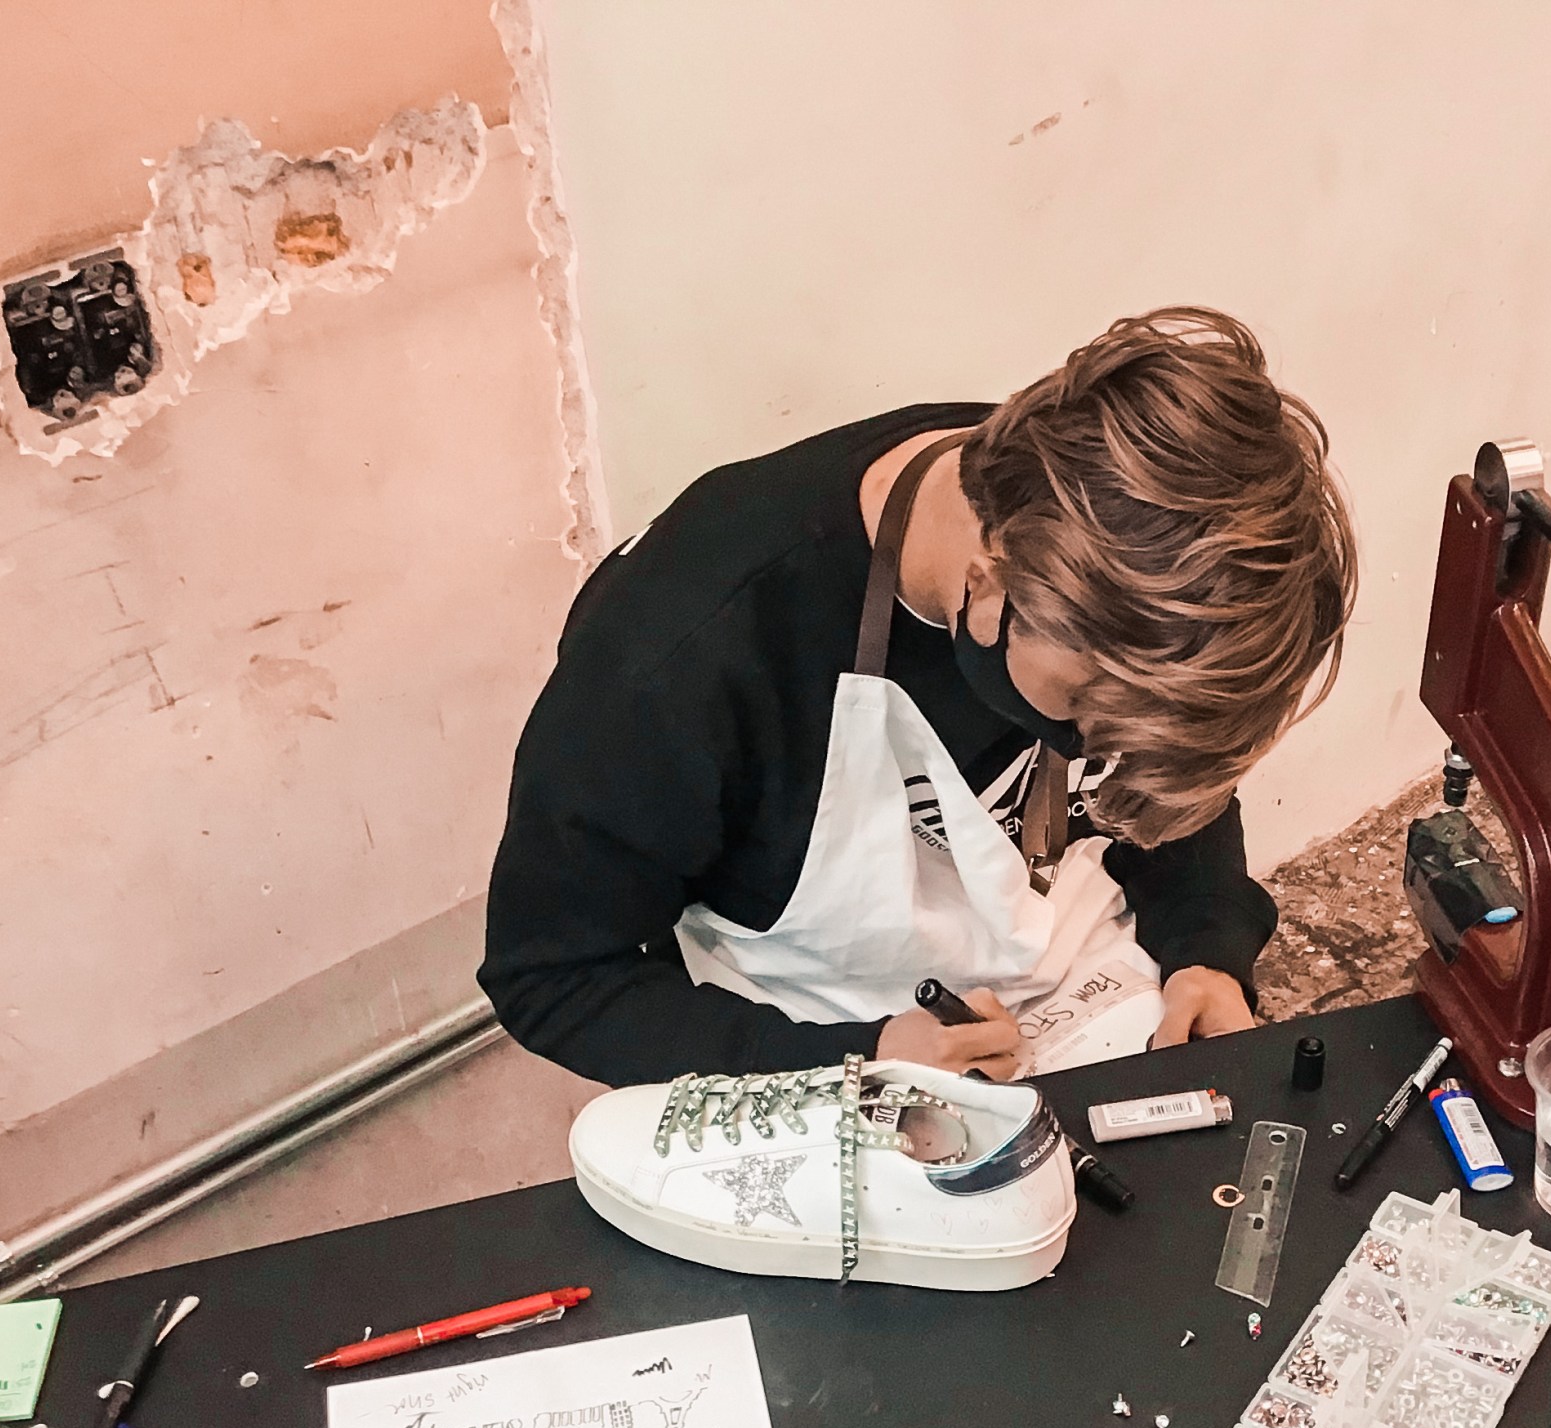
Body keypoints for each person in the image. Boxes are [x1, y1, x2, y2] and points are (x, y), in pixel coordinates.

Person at [481, 307, 1356, 1089]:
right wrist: (854, 1064)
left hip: (1090, 988)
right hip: (806, 1033)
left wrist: (1206, 948)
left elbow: (1175, 788)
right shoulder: (680, 653)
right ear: (991, 582)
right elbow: (555, 978)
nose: (1106, 756)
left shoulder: (1115, 535)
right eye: (1091, 717)